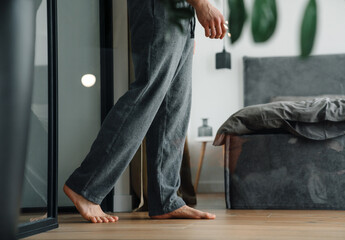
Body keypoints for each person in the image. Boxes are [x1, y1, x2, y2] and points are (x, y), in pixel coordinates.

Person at [63, 0, 227, 223]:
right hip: (159, 7)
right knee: (145, 99)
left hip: (181, 11)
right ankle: (85, 186)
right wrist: (201, 3)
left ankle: (165, 199)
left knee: (174, 108)